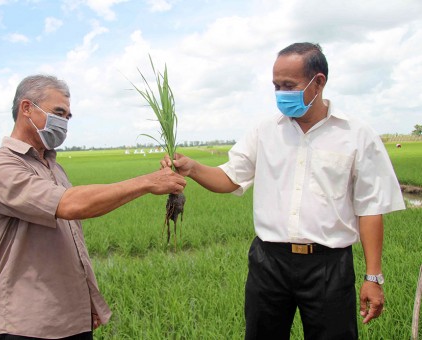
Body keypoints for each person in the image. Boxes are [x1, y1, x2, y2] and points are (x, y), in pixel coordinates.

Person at [162, 42, 405, 339]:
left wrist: (373, 276)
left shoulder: (356, 135)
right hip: (269, 263)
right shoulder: (265, 131)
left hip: (329, 265)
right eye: (276, 85)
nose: (280, 93)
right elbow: (230, 178)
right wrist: (192, 168)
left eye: (288, 85)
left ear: (318, 82)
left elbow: (369, 208)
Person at [0, 74, 186, 340]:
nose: (63, 122)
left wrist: (87, 300)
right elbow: (70, 205)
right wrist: (147, 182)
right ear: (26, 108)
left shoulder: (52, 166)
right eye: (58, 113)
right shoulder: (0, 168)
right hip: (27, 325)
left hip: (70, 319)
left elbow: (71, 239)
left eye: (68, 117)